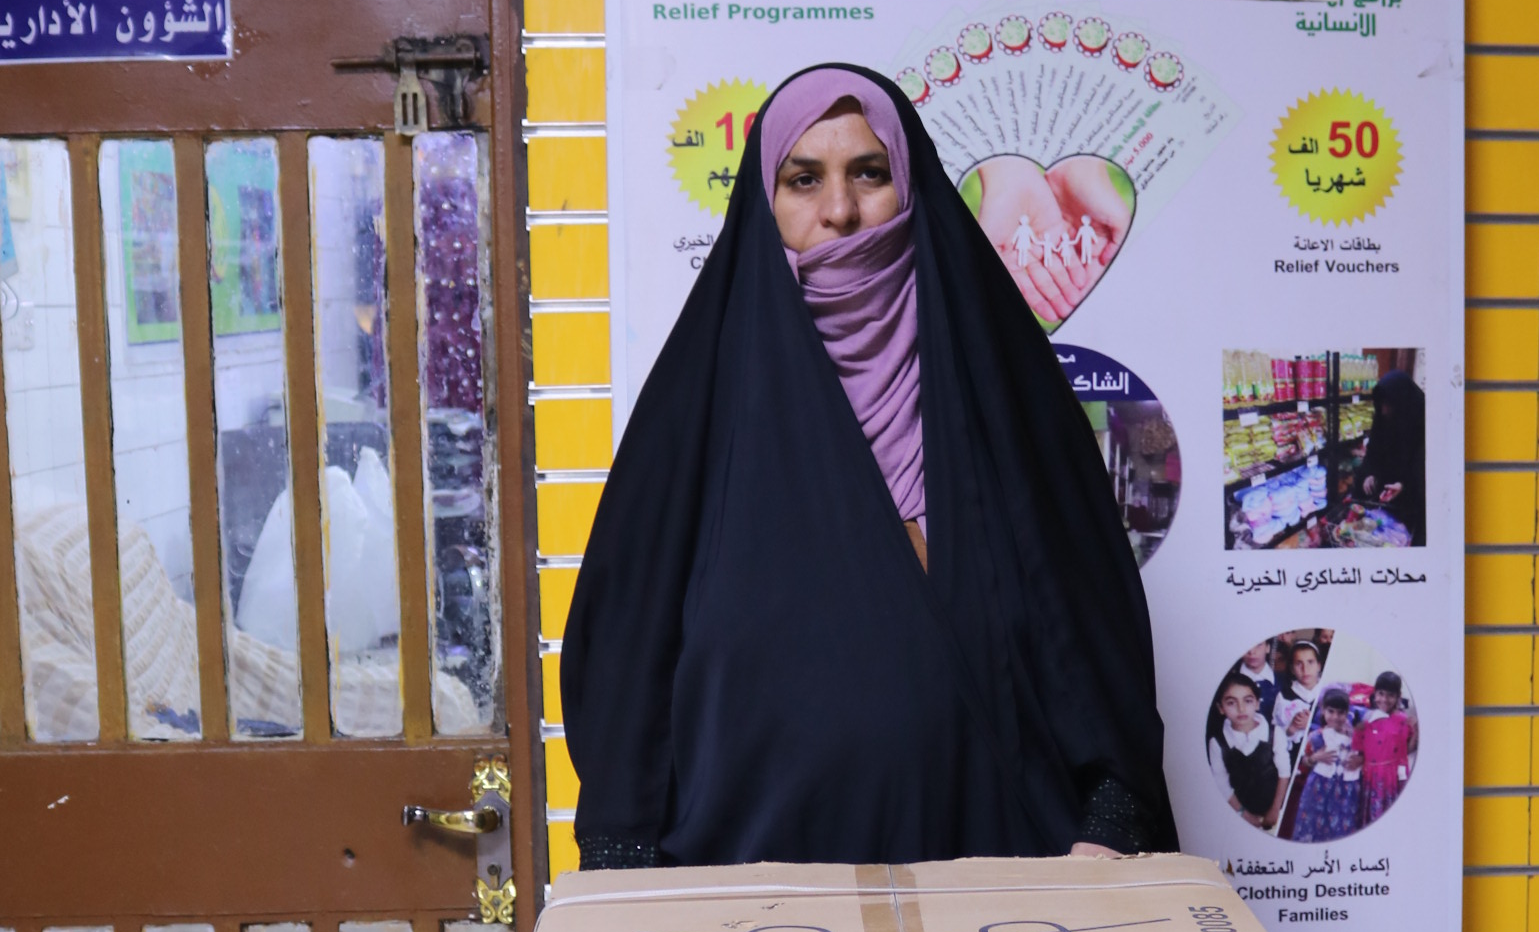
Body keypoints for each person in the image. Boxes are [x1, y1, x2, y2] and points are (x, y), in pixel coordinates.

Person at [562, 66, 1175, 868]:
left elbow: (1097, 647)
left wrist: (1107, 830)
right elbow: (625, 669)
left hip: (1001, 898)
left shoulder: (1007, 398)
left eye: (869, 173)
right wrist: (625, 878)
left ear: (911, 187)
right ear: (764, 201)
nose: (840, 211)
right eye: (803, 180)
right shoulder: (699, 414)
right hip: (759, 913)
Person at [1206, 671, 1289, 832]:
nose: (1241, 708)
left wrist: (1274, 810)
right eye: (1231, 702)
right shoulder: (1217, 743)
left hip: (1276, 809)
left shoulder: (1274, 733)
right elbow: (1221, 782)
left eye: (1248, 701)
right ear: (1221, 708)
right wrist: (1244, 814)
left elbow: (1284, 772)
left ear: (1257, 703)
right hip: (1240, 813)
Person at [1359, 350, 1426, 546]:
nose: (1384, 411)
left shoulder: (1422, 421)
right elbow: (1372, 453)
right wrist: (1369, 474)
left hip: (1411, 504)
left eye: (1389, 405)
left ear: (1402, 403)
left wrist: (1404, 486)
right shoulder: (1382, 419)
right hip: (1383, 499)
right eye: (1381, 405)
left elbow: (1425, 472)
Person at [1286, 685, 1362, 842]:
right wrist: (1315, 758)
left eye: (1340, 712)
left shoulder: (1355, 737)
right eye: (1331, 711)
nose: (1335, 717)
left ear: (1347, 713)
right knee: (1312, 828)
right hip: (1318, 789)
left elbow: (1364, 756)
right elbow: (1304, 761)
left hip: (1345, 791)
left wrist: (1359, 760)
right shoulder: (1316, 736)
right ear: (1323, 711)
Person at [1358, 669, 1415, 824]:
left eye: (1390, 695)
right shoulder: (1368, 718)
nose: (1384, 699)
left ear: (1398, 697)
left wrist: (1416, 732)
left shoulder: (1403, 720)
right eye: (1381, 693)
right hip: (1371, 775)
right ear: (1375, 694)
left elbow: (1406, 750)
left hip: (1391, 777)